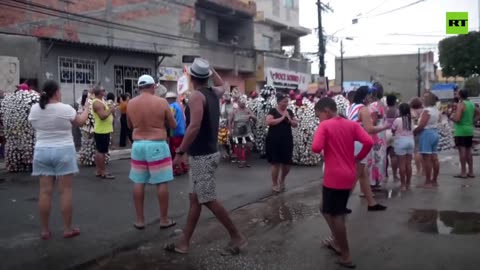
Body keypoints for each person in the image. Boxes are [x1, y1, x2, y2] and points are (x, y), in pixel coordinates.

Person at [166, 58, 246, 255]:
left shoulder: (195, 97)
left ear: (191, 77)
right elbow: (222, 84)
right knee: (195, 199)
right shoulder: (213, 92)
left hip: (202, 155)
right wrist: (211, 68)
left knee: (208, 199)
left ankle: (237, 236)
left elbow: (194, 126)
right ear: (206, 77)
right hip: (208, 152)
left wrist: (180, 152)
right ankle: (184, 242)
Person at [312, 97, 374, 269]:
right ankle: (336, 239)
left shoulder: (325, 125)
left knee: (336, 214)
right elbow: (368, 141)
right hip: (348, 174)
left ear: (326, 111)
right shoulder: (352, 125)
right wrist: (359, 157)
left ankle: (345, 254)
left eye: (319, 116)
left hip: (334, 177)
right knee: (325, 207)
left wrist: (325, 143)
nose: (319, 120)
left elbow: (316, 148)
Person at [28, 80, 90, 240]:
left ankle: (44, 230)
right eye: (60, 91)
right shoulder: (65, 109)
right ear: (56, 92)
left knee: (44, 192)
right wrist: (87, 108)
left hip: (42, 151)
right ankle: (68, 229)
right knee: (65, 191)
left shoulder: (35, 109)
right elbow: (80, 122)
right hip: (63, 151)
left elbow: (35, 125)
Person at [127, 75, 177, 230]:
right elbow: (173, 125)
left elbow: (130, 125)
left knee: (138, 181)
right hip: (156, 144)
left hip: (138, 145)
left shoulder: (131, 103)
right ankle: (163, 219)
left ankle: (140, 220)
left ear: (139, 87)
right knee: (161, 182)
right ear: (152, 87)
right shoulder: (161, 102)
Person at [346, 86, 388, 211]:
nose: (371, 98)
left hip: (352, 142)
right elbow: (369, 129)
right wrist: (385, 127)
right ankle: (341, 204)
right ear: (365, 96)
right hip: (360, 143)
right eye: (370, 96)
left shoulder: (351, 106)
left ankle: (371, 202)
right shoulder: (363, 109)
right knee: (356, 175)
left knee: (363, 175)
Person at [0, 83, 40, 172]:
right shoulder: (32, 98)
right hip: (26, 130)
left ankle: (16, 165)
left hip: (13, 131)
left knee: (14, 148)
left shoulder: (8, 100)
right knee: (27, 147)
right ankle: (27, 164)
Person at [265, 92, 298, 193]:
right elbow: (269, 122)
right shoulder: (273, 111)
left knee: (287, 164)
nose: (286, 103)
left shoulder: (289, 111)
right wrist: (282, 118)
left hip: (287, 140)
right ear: (279, 102)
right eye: (284, 102)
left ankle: (282, 179)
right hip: (274, 140)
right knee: (276, 163)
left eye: (287, 102)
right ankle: (275, 183)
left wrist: (290, 120)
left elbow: (295, 124)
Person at [451, 89, 480, 178]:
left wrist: (451, 117)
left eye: (457, 93)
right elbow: (479, 113)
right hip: (469, 129)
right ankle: (471, 172)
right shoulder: (471, 104)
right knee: (468, 151)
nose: (456, 94)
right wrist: (473, 121)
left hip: (461, 130)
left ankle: (463, 172)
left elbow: (458, 119)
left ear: (460, 95)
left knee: (462, 151)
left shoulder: (461, 104)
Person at [414, 92, 440, 188]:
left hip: (426, 134)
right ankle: (434, 180)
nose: (422, 99)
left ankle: (428, 182)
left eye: (424, 97)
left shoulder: (427, 110)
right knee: (434, 158)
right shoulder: (436, 110)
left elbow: (422, 124)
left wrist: (415, 131)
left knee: (427, 159)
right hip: (434, 132)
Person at [92, 86, 116, 179]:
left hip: (102, 130)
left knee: (99, 151)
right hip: (102, 131)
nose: (105, 91)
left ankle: (99, 170)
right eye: (103, 90)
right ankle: (103, 172)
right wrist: (111, 109)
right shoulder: (97, 103)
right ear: (99, 92)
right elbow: (102, 116)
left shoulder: (101, 101)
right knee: (102, 152)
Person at [392, 103, 414, 191]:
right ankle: (408, 183)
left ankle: (403, 185)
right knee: (408, 164)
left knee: (401, 165)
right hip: (410, 141)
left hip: (400, 141)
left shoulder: (397, 120)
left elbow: (393, 130)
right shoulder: (410, 120)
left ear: (400, 110)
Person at [229, 95, 256, 168]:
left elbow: (255, 119)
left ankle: (245, 160)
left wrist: (251, 116)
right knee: (239, 146)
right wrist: (230, 130)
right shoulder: (234, 111)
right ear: (238, 103)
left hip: (247, 131)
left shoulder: (248, 110)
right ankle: (241, 161)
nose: (243, 104)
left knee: (249, 145)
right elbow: (230, 122)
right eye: (241, 103)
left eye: (244, 103)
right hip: (237, 131)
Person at [368, 84, 387, 187]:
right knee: (380, 156)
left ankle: (373, 180)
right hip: (382, 132)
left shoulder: (373, 105)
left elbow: (373, 121)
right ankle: (378, 179)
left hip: (375, 133)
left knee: (374, 157)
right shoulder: (382, 103)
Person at [166, 91, 188, 176]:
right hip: (181, 131)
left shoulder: (171, 106)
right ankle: (183, 167)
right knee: (180, 150)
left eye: (167, 99)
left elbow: (171, 119)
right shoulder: (179, 105)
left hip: (175, 132)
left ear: (170, 99)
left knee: (174, 151)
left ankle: (177, 169)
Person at [385, 95, 399, 182]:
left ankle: (385, 173)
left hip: (384, 132)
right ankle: (394, 175)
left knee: (384, 155)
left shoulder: (385, 110)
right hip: (394, 133)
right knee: (393, 156)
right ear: (394, 101)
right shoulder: (397, 111)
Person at [410, 97, 424, 176]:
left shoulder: (411, 111)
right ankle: (423, 169)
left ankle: (419, 169)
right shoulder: (423, 111)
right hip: (422, 130)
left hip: (414, 130)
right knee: (422, 150)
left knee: (416, 151)